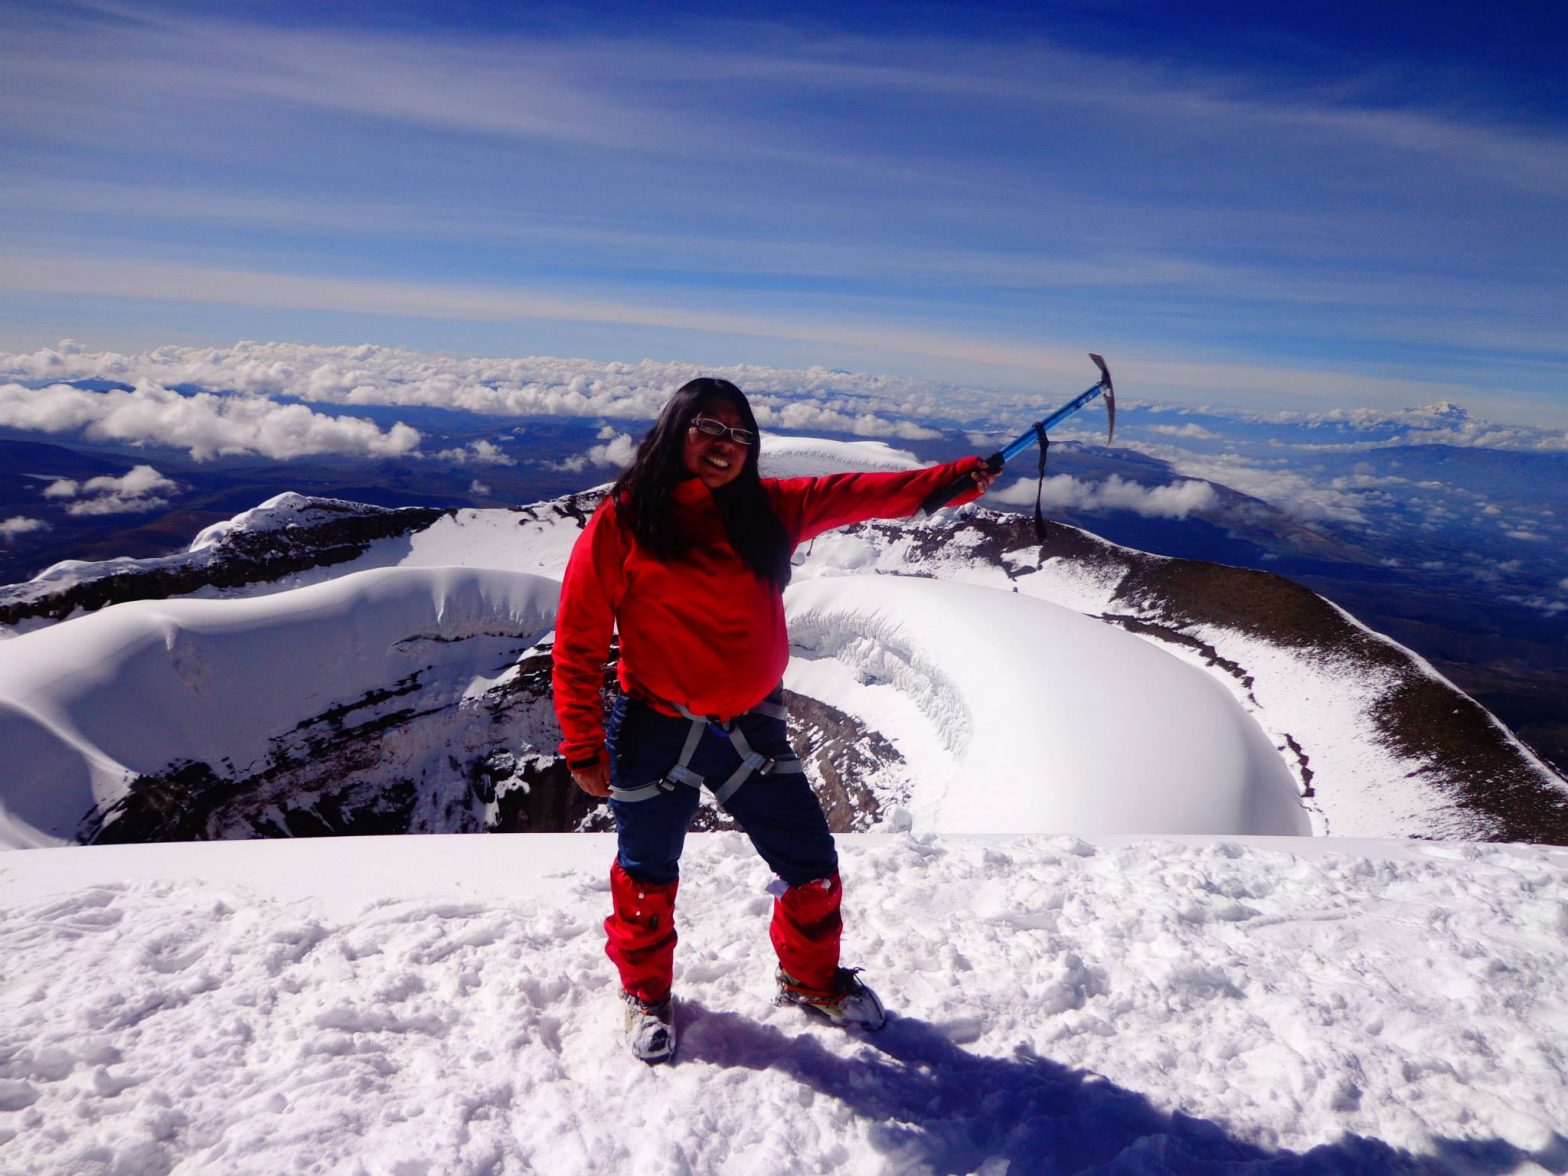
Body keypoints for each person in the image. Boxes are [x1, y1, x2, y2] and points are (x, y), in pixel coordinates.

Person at [551, 377, 997, 1063]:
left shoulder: (769, 512)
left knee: (812, 865)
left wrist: (958, 480)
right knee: (646, 875)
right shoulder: (626, 520)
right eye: (711, 427)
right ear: (677, 429)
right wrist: (582, 743)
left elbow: (861, 493)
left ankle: (808, 978)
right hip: (654, 729)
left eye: (741, 435)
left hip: (748, 728)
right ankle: (644, 993)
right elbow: (579, 638)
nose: (728, 445)